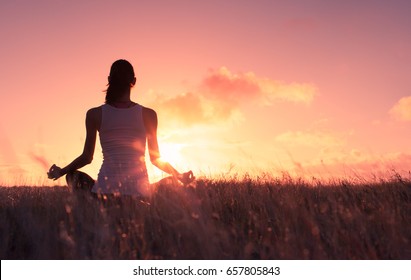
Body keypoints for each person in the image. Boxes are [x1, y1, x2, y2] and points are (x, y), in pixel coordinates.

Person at [47, 59, 194, 197]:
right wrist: (179, 176)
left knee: (72, 176)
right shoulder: (149, 114)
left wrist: (62, 171)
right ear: (134, 81)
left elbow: (87, 157)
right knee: (170, 182)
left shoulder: (95, 114)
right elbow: (155, 159)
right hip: (139, 195)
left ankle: (92, 211)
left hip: (104, 194)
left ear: (109, 80)